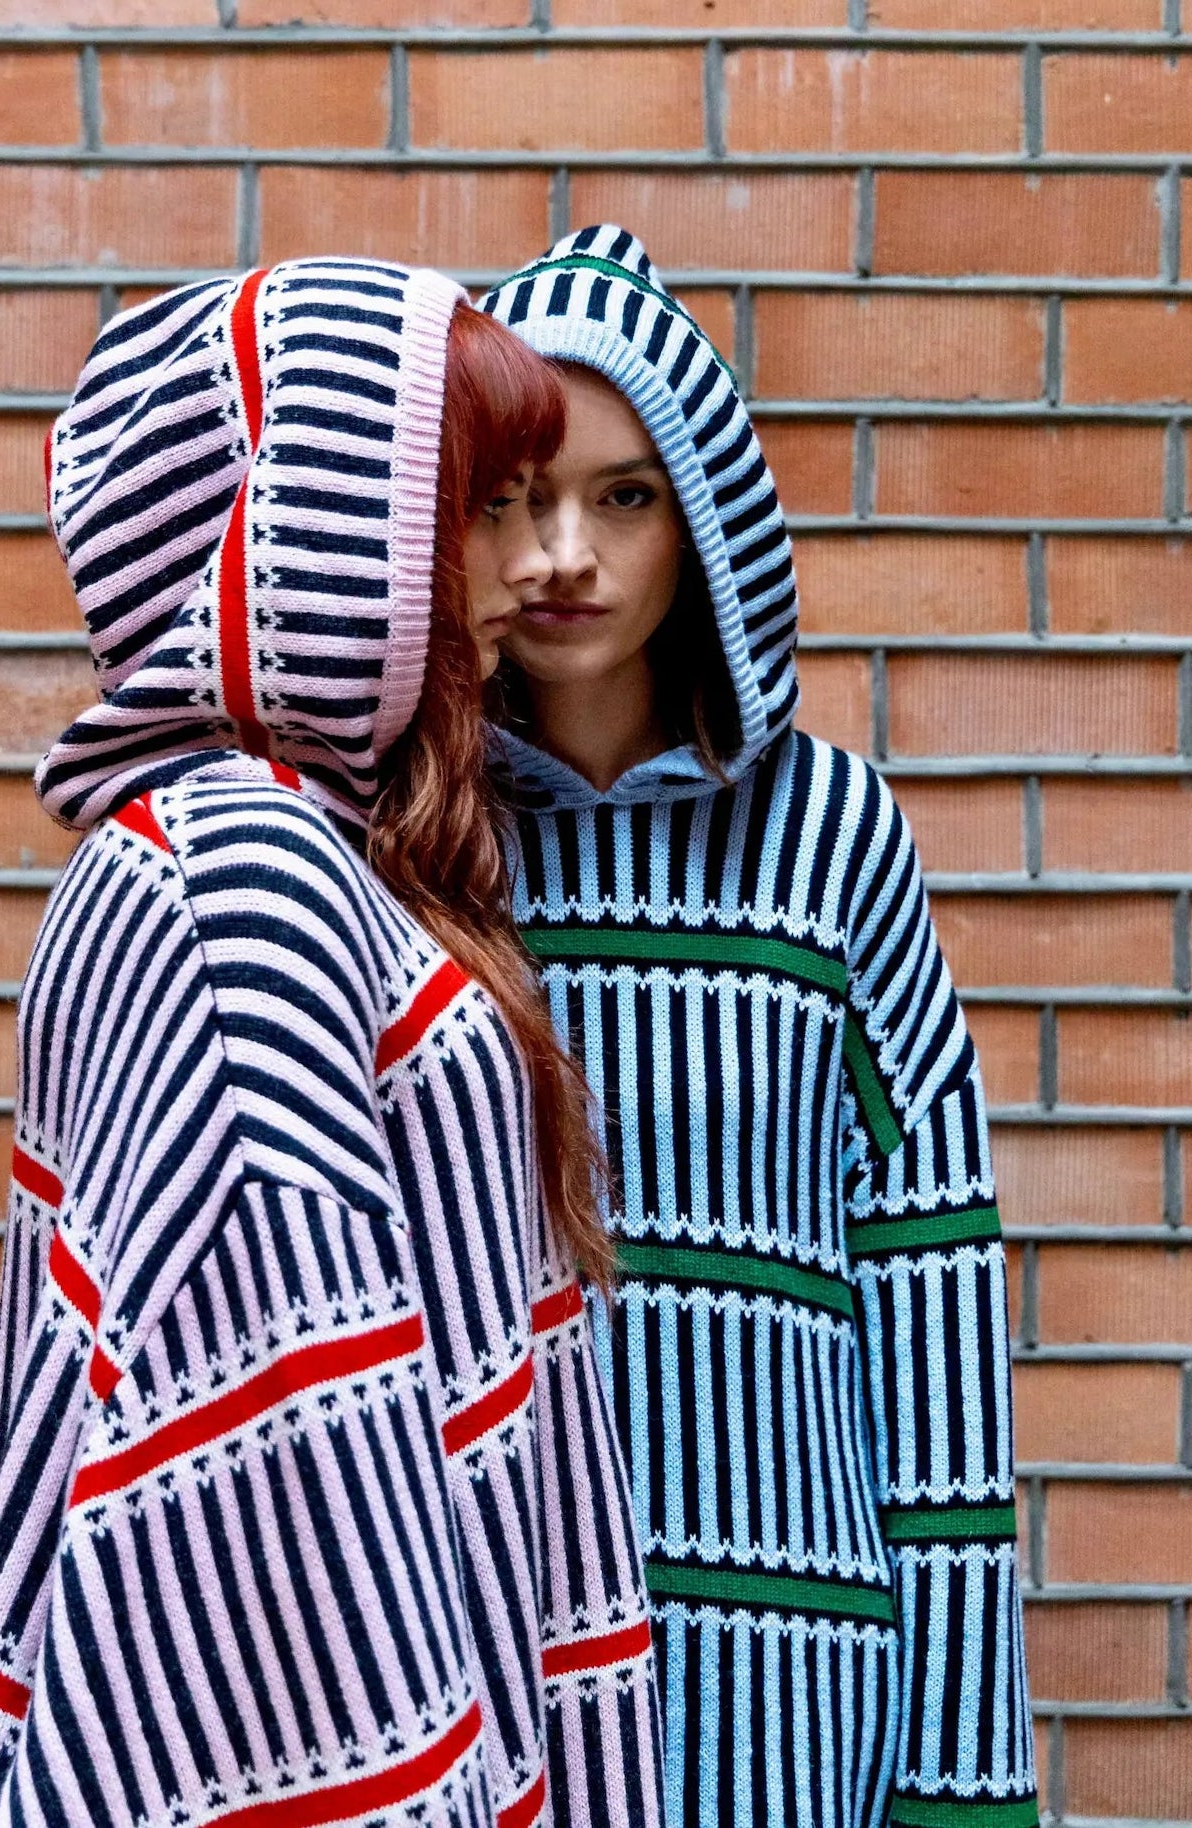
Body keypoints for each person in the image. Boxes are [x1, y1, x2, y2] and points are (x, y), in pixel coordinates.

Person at [0, 259, 665, 1828]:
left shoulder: (305, 853)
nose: (528, 564)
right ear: (317, 543)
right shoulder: (235, 887)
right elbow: (281, 1536)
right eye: (474, 503)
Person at [481, 228, 1037, 1828]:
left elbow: (932, 1302)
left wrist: (964, 1777)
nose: (564, 552)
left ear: (706, 518)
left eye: (624, 495)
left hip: (797, 1689)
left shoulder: (834, 836)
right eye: (517, 497)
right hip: (494, 1662)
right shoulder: (412, 845)